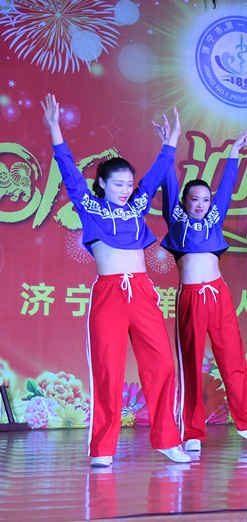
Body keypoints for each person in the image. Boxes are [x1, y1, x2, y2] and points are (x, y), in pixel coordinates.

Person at [42, 94, 190, 467]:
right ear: (103, 184)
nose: (126, 190)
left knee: (162, 364)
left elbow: (155, 175)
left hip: (141, 292)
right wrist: (56, 128)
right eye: (118, 184)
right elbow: (68, 171)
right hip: (109, 294)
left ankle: (167, 440)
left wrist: (171, 141)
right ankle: (103, 449)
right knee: (108, 369)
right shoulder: (89, 206)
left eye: (129, 184)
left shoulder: (138, 204)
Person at [157, 123, 247, 452]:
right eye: (194, 199)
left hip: (219, 295)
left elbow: (226, 187)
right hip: (191, 298)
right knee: (191, 364)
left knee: (233, 360)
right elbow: (169, 182)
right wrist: (170, 144)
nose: (201, 204)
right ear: (184, 201)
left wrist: (234, 151)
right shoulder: (176, 219)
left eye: (205, 200)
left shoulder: (214, 218)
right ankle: (192, 430)